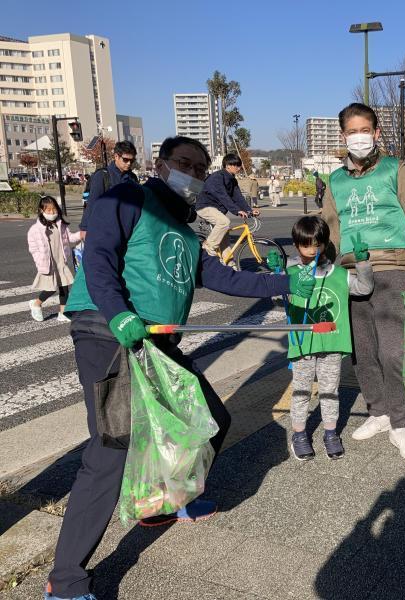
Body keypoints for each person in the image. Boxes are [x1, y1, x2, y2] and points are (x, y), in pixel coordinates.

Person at [44, 136, 314, 600]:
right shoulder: (127, 197)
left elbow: (225, 277)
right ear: (162, 164)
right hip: (108, 332)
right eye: (182, 162)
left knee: (209, 420)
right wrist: (119, 313)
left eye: (199, 166)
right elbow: (102, 257)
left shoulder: (187, 233)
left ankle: (162, 502)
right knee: (113, 446)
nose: (190, 171)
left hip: (158, 341)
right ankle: (65, 581)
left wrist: (288, 280)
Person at [321, 102, 405, 462]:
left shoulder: (394, 169)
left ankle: (400, 424)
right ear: (343, 136)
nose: (358, 137)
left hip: (390, 269)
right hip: (351, 274)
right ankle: (378, 412)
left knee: (391, 351)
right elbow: (331, 229)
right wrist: (323, 267)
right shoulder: (335, 181)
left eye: (364, 130)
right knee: (363, 352)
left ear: (376, 133)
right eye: (351, 131)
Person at [281, 216, 373, 461]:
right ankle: (299, 434)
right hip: (302, 345)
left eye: (316, 244)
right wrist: (276, 276)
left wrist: (363, 264)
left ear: (324, 244)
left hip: (332, 345)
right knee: (301, 390)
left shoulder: (340, 274)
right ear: (296, 244)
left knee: (330, 390)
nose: (311, 250)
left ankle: (331, 433)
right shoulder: (290, 272)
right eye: (305, 245)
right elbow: (276, 299)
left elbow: (364, 288)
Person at [27, 196, 84, 323]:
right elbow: (33, 248)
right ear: (41, 210)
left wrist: (80, 235)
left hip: (60, 262)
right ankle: (36, 303)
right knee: (51, 288)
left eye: (54, 210)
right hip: (48, 263)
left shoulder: (60, 225)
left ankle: (62, 313)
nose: (52, 213)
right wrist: (39, 260)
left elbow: (69, 238)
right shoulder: (36, 229)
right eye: (48, 210)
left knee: (64, 287)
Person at [196, 153, 259, 258]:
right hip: (205, 206)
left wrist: (249, 211)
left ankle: (230, 265)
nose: (239, 168)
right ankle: (208, 247)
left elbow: (238, 198)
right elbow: (223, 196)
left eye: (239, 165)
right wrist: (237, 211)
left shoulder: (232, 180)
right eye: (236, 165)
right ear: (228, 165)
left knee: (224, 240)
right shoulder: (217, 177)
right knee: (224, 222)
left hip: (217, 209)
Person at [79, 140, 138, 232]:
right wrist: (84, 228)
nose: (129, 163)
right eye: (125, 160)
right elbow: (92, 203)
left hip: (129, 228)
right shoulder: (102, 175)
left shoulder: (133, 178)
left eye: (132, 160)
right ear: (116, 156)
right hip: (106, 229)